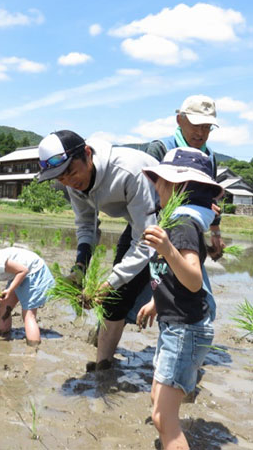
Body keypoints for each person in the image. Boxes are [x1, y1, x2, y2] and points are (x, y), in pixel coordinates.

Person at [37, 129, 158, 370]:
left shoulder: (128, 172)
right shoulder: (73, 184)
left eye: (71, 172)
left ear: (88, 154)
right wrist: (79, 267)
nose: (69, 182)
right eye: (61, 179)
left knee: (173, 299)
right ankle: (103, 366)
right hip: (139, 224)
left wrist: (111, 282)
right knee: (115, 299)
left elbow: (145, 240)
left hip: (168, 219)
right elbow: (86, 226)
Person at [137, 148, 222, 450]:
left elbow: (194, 280)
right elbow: (172, 280)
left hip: (185, 331)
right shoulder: (174, 225)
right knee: (156, 402)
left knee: (162, 418)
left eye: (159, 182)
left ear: (177, 187)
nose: (155, 187)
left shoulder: (183, 227)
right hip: (176, 327)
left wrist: (168, 250)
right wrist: (154, 303)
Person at [146, 95, 225, 260]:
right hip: (154, 234)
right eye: (195, 125)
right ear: (179, 120)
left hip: (188, 235)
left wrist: (215, 231)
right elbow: (146, 200)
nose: (200, 133)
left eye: (207, 127)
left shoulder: (208, 157)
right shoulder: (160, 149)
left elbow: (211, 199)